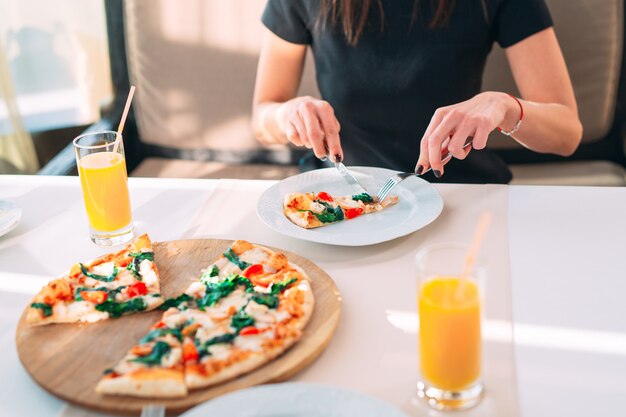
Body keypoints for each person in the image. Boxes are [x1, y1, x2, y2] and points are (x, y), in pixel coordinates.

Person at [251, 0, 582, 183]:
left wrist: (505, 106)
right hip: (340, 195)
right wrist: (286, 114)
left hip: (457, 193)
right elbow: (262, 117)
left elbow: (567, 133)